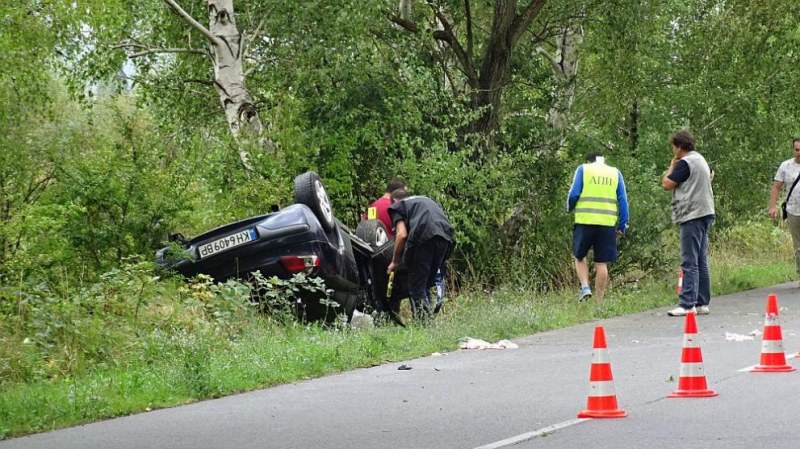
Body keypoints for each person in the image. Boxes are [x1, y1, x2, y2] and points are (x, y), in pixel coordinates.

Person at [662, 130, 715, 317]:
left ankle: (687, 304)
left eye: (673, 147)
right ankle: (701, 302)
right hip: (705, 211)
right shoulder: (701, 160)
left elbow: (667, 184)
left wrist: (671, 166)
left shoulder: (685, 163)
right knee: (700, 260)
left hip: (691, 214)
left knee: (689, 261)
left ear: (678, 146)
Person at [567, 152, 629, 301]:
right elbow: (623, 200)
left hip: (585, 221)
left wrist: (569, 208)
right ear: (603, 160)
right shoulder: (615, 173)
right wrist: (622, 224)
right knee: (602, 263)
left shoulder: (583, 169)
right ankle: (599, 300)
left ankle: (585, 287)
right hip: (607, 223)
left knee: (579, 256)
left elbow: (574, 194)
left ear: (589, 160)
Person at [387, 189, 453, 320]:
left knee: (416, 288)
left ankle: (425, 325)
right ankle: (427, 321)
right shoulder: (425, 200)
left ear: (394, 200)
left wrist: (394, 261)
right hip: (445, 238)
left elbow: (401, 234)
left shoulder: (398, 206)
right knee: (425, 285)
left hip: (423, 237)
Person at [769, 138, 800, 278]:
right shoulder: (785, 166)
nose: (799, 153)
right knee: (798, 245)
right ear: (793, 150)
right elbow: (776, 187)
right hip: (793, 210)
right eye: (797, 149)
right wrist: (773, 206)